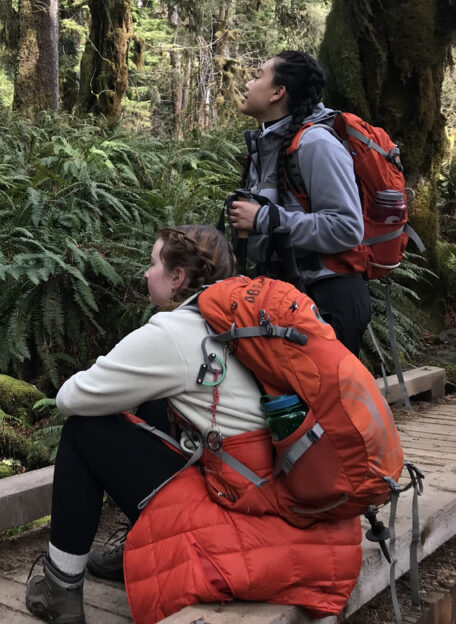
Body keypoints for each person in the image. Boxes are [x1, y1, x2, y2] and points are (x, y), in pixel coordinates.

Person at [24, 225, 361, 624]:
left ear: (178, 277)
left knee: (85, 430)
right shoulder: (247, 322)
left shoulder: (178, 333)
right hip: (299, 510)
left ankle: (60, 585)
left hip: (253, 523)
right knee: (153, 406)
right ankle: (139, 544)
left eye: (153, 264)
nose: (146, 273)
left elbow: (70, 398)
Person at [227, 50, 369, 356]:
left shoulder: (316, 143)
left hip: (328, 299)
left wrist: (264, 218)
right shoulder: (265, 147)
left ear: (278, 93)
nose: (248, 83)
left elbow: (347, 228)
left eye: (257, 76)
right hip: (284, 296)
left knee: (327, 402)